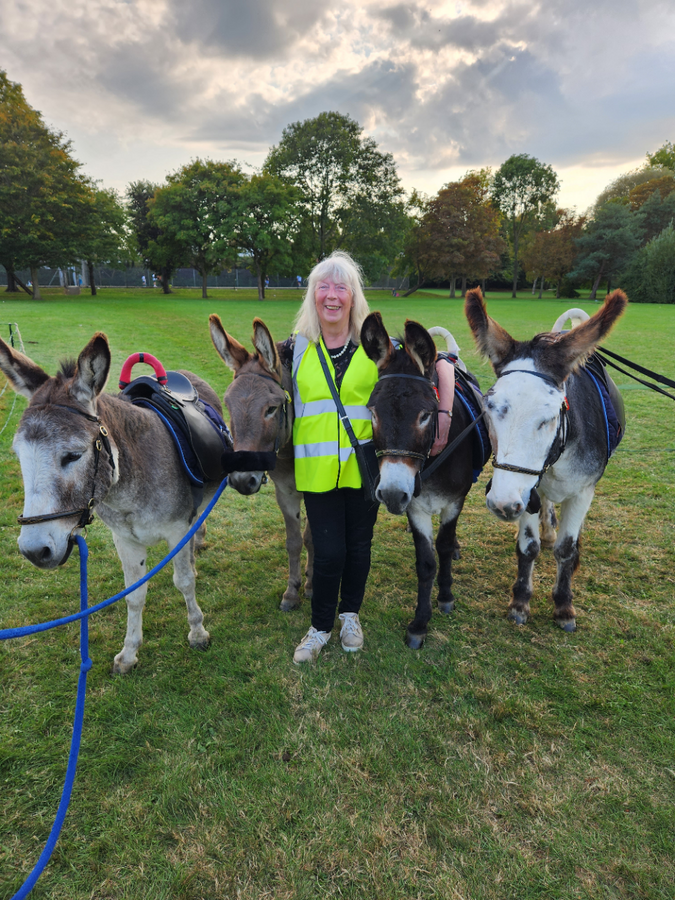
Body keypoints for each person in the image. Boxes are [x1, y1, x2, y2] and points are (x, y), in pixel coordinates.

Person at [285, 251, 454, 664]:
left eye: (340, 288)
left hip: (366, 468)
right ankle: (320, 626)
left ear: (352, 297)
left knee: (359, 547)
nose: (331, 296)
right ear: (312, 296)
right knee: (327, 552)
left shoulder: (377, 347)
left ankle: (350, 616)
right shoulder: (295, 350)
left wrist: (444, 421)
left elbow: (442, 366)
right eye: (323, 287)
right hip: (317, 469)